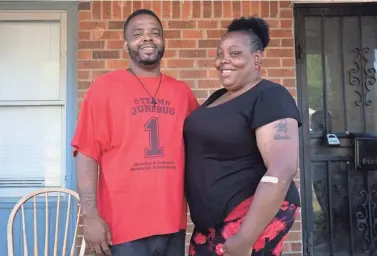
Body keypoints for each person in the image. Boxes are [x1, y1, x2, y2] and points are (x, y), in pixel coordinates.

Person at [71, 9, 199, 256]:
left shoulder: (182, 93)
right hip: (121, 230)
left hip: (172, 225)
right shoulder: (103, 89)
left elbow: (201, 151)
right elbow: (87, 154)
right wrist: (90, 215)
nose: (148, 38)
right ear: (126, 44)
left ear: (163, 41)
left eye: (155, 33)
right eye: (138, 33)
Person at [183, 16, 302, 256]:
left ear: (256, 58)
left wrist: (246, 237)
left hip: (246, 220)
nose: (224, 60)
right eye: (220, 54)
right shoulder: (217, 97)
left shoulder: (269, 96)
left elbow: (282, 168)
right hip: (210, 225)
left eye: (235, 53)